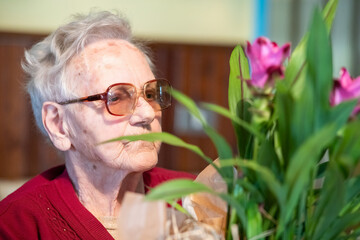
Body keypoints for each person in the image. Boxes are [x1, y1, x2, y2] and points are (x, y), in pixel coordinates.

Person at [0, 11, 195, 239]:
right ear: (58, 124)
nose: (147, 113)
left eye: (150, 93)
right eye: (116, 97)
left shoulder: (195, 197)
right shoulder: (19, 223)